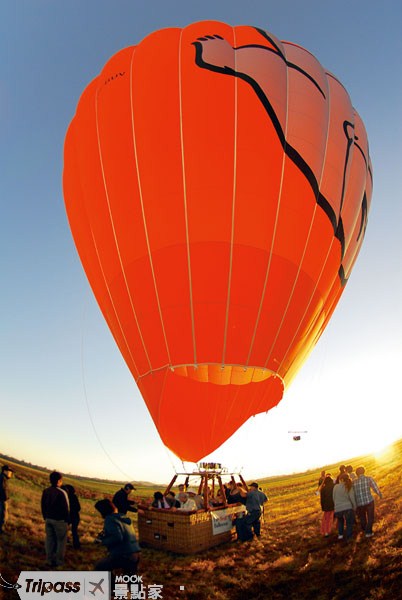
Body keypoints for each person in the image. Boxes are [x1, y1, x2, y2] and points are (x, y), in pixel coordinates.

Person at [94, 499, 140, 574]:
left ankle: (111, 585)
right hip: (135, 555)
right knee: (131, 579)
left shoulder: (110, 519)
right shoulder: (123, 517)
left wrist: (102, 541)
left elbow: (117, 537)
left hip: (123, 555)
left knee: (100, 567)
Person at [41, 471, 70, 567]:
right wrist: (67, 521)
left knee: (49, 540)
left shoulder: (46, 491)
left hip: (48, 519)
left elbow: (43, 506)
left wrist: (45, 517)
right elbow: (66, 508)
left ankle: (48, 560)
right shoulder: (62, 492)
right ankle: (59, 562)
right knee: (61, 542)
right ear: (59, 481)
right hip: (60, 521)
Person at [353, 466, 382, 537]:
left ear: (357, 474)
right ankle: (368, 532)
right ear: (364, 471)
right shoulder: (368, 479)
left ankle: (365, 530)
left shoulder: (354, 482)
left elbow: (353, 494)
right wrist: (380, 494)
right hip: (369, 501)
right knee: (370, 517)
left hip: (359, 504)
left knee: (362, 518)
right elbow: (375, 488)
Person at [333, 473, 356, 541]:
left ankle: (340, 535)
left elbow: (333, 498)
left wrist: (336, 506)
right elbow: (352, 497)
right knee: (349, 523)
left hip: (338, 508)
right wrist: (354, 506)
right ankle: (349, 537)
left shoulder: (335, 487)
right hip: (347, 507)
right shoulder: (349, 486)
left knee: (340, 521)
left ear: (341, 479)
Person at [63, 484, 81, 549]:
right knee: (74, 531)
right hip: (75, 516)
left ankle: (64, 542)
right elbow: (79, 508)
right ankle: (76, 545)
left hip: (69, 516)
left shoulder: (65, 497)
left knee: (64, 530)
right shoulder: (74, 497)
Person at [0, 465, 14, 534]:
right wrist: (6, 498)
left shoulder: (2, 477)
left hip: (2, 499)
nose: (10, 473)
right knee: (3, 514)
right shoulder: (2, 478)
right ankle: (1, 529)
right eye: (10, 471)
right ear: (5, 471)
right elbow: (3, 489)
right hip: (2, 500)